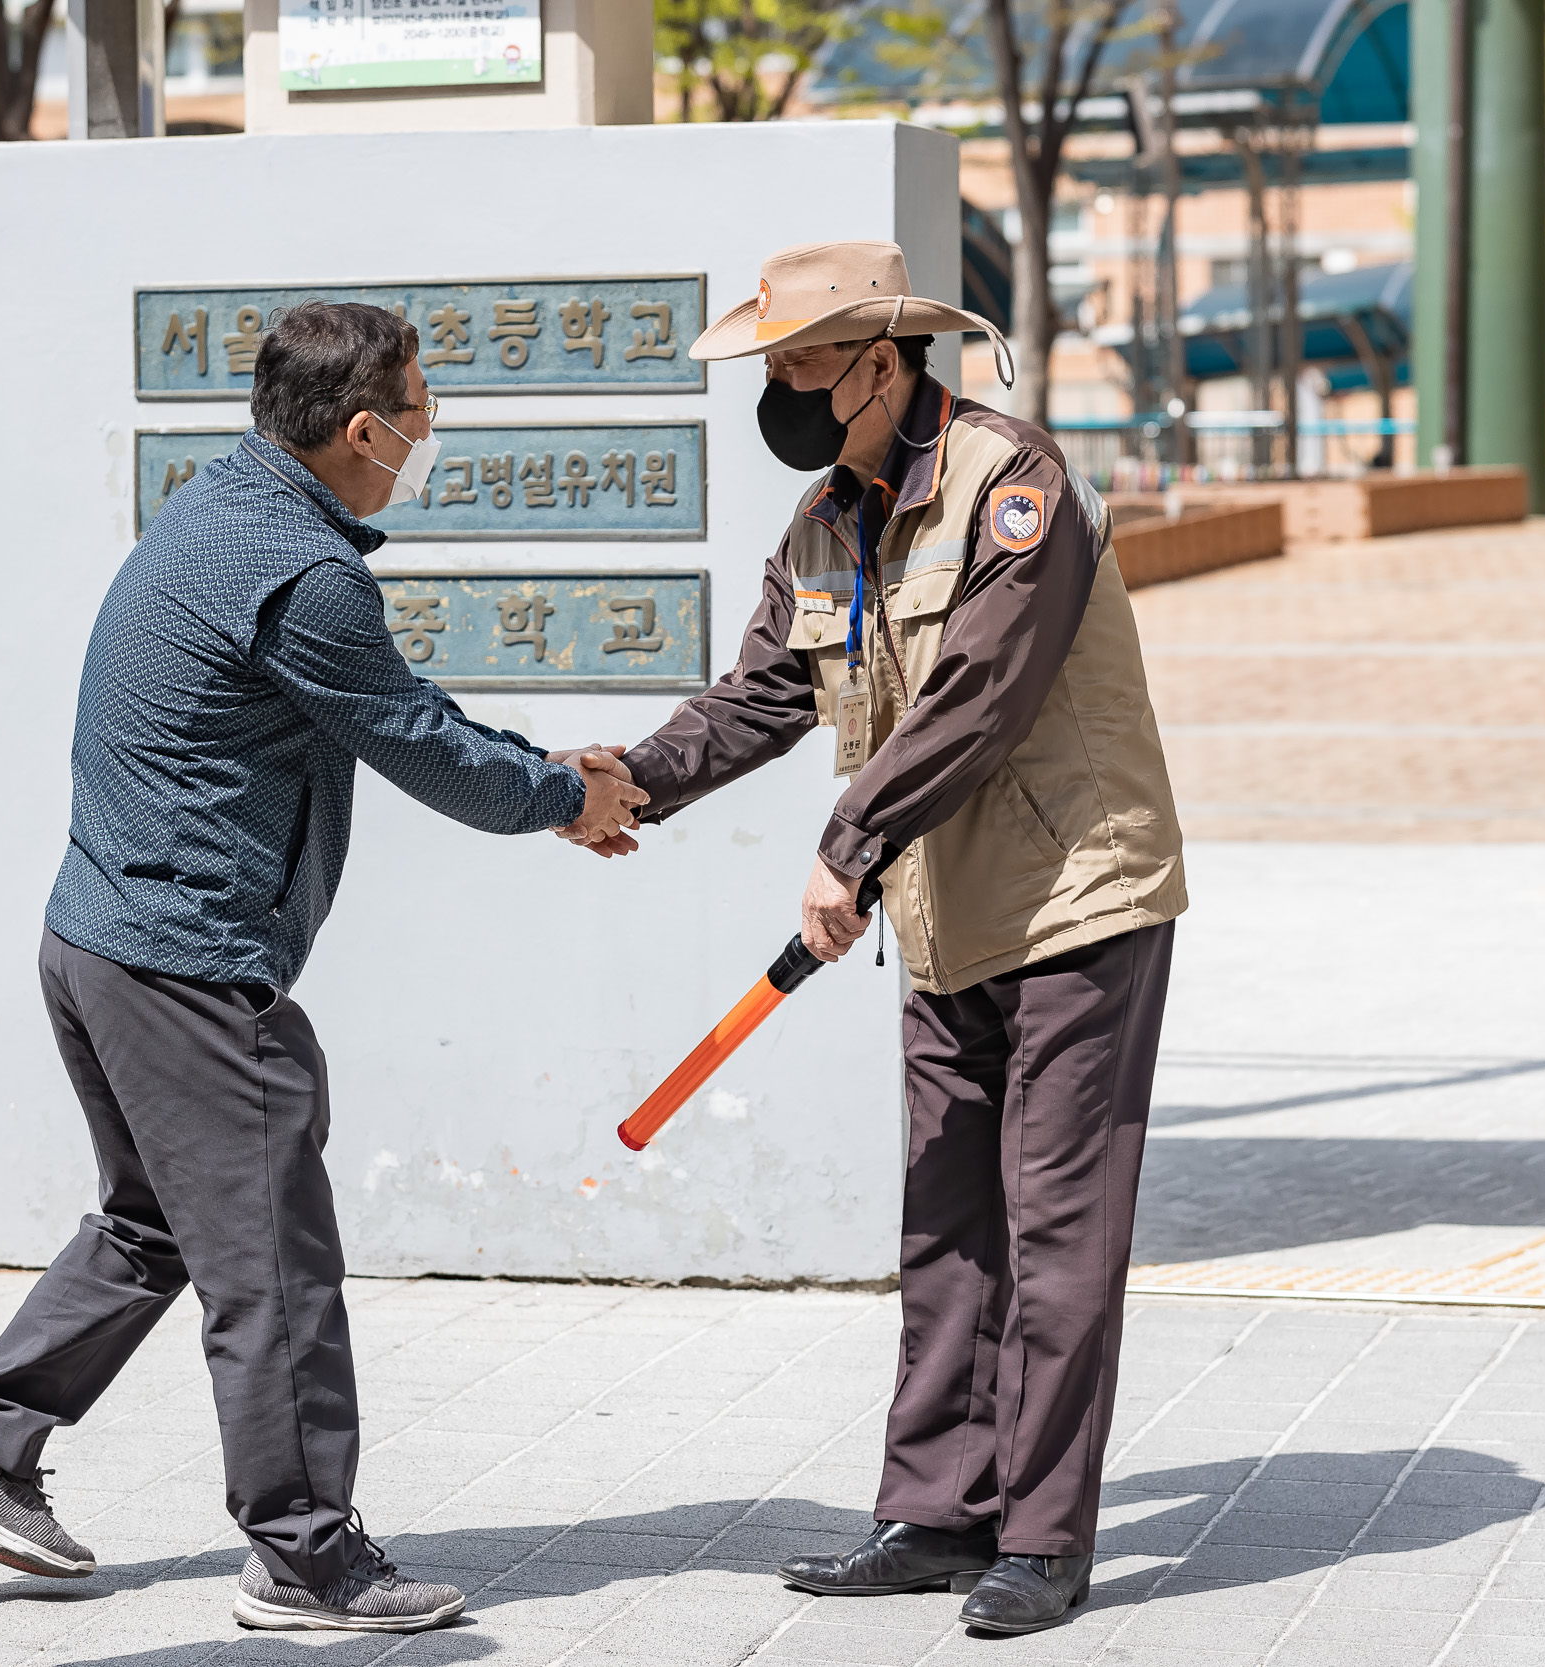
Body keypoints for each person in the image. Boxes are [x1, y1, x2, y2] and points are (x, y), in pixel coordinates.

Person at [0, 301, 643, 1633]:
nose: (431, 434)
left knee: (154, 1218)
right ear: (364, 429)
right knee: (272, 1261)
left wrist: (552, 776)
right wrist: (568, 797)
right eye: (421, 412)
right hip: (187, 967)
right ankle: (306, 1551)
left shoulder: (226, 511)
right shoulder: (304, 573)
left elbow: (397, 708)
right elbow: (420, 745)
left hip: (96, 940)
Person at [597, 241, 1186, 1634]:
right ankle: (934, 1510)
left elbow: (980, 693)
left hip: (1073, 901)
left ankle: (1042, 1538)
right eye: (773, 365)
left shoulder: (1011, 482)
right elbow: (755, 697)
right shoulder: (824, 521)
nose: (781, 389)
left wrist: (848, 840)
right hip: (936, 913)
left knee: (1055, 1227)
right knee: (949, 1223)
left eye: (800, 363)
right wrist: (624, 781)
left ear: (880, 359)